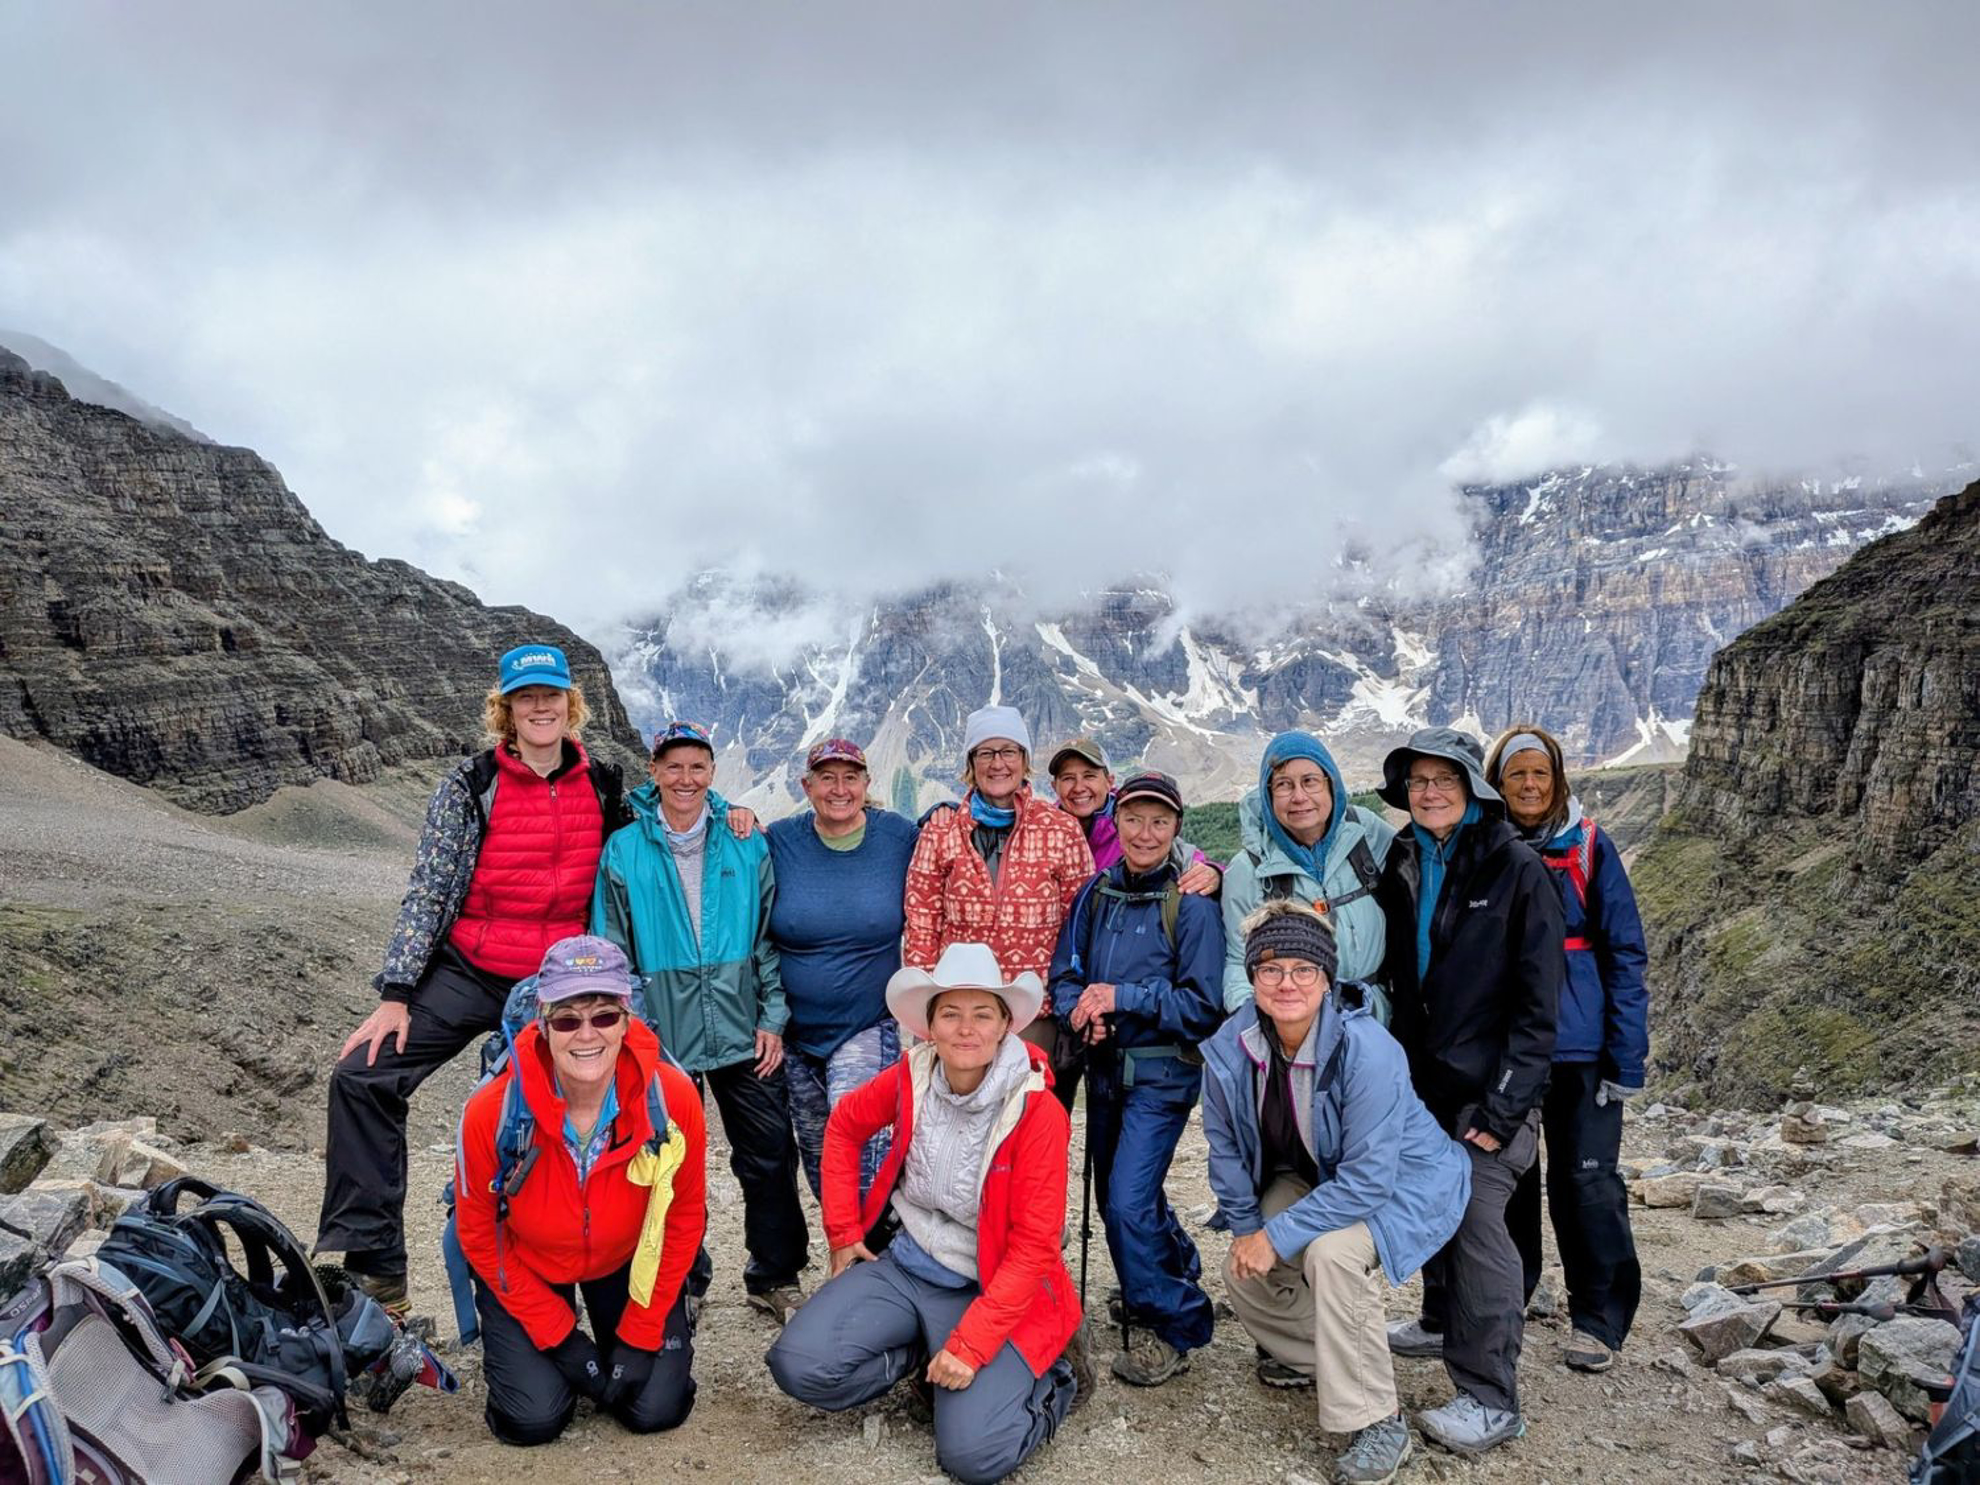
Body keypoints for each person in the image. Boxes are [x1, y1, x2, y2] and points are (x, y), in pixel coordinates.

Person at [316, 643, 629, 1314]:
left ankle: (618, 1266)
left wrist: (733, 814)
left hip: (557, 983)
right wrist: (396, 994)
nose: (540, 707)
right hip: (471, 967)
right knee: (363, 1076)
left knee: (584, 1105)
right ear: (506, 710)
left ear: (570, 705)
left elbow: (664, 828)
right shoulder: (470, 784)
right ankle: (377, 1270)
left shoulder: (604, 784)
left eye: (551, 696)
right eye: (526, 698)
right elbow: (430, 887)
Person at [766, 943, 1087, 1485]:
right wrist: (843, 1231)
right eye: (950, 1014)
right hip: (907, 1263)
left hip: (989, 1283)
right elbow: (844, 1126)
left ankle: (1055, 1378)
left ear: (1005, 1026)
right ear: (930, 1026)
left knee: (973, 1458)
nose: (966, 1029)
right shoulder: (911, 1076)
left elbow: (1035, 1247)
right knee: (797, 1366)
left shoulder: (1037, 1111)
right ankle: (922, 1354)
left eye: (982, 1014)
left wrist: (971, 1344)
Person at [1202, 902, 1469, 1485]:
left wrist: (1275, 1235)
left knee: (1332, 1255)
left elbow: (1369, 1180)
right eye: (1271, 969)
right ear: (1252, 977)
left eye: (1304, 969)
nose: (1287, 983)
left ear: (1327, 978)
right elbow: (1224, 1151)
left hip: (1403, 1181)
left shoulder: (1367, 1048)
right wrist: (1249, 1231)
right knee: (1241, 1270)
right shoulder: (1230, 1047)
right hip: (1322, 1177)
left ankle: (1378, 1419)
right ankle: (1336, 1361)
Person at [1373, 726, 1563, 1455]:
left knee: (1478, 1217)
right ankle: (1439, 1321)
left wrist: (1506, 1103)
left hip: (1491, 1089)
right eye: (1418, 781)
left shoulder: (1515, 866)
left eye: (1444, 779)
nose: (1429, 792)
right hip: (1423, 1083)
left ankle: (1490, 1396)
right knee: (1432, 1203)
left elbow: (1538, 1004)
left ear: (1472, 789)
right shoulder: (1402, 856)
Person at [593, 720, 809, 1323]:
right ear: (655, 772)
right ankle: (683, 1277)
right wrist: (635, 1032)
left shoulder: (745, 842)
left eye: (697, 767)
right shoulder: (624, 850)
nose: (685, 778)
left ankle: (775, 1275)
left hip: (744, 1030)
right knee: (669, 1162)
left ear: (712, 773)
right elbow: (612, 948)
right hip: (663, 1037)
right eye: (673, 766)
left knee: (769, 1154)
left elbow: (768, 938)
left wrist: (773, 1018)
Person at [453, 936, 706, 1445]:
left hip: (625, 1261)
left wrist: (642, 1332)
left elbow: (682, 1219)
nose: (587, 1035)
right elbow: (479, 1232)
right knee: (533, 1421)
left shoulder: (672, 1097)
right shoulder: (491, 1111)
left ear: (627, 1019)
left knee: (654, 1409)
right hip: (529, 1262)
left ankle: (631, 1332)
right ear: (542, 1023)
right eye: (567, 1020)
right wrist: (561, 1339)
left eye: (604, 1017)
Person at [1046, 769, 1223, 1386]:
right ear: (1115, 822)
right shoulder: (1095, 895)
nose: (1145, 833)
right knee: (1120, 1196)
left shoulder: (1192, 906)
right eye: (1134, 819)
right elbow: (1065, 974)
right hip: (1105, 1073)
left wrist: (1122, 998)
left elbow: (1202, 1006)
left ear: (1177, 828)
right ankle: (1173, 1268)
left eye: (1159, 821)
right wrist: (1080, 1011)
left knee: (1124, 1201)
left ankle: (1178, 1321)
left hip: (1161, 1076)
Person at [1486, 724, 1648, 1375]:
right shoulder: (1486, 845)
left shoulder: (1588, 845)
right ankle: (1509, 1297)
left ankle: (1599, 1318)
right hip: (1508, 1049)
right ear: (1498, 783)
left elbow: (1625, 952)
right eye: (1516, 774)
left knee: (1587, 1182)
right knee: (1511, 1183)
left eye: (1540, 774)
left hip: (1582, 1050)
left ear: (1557, 780)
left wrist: (1626, 1058)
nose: (1529, 785)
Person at [904, 705, 1094, 1110]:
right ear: (971, 764)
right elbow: (922, 921)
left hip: (1037, 1009)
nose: (998, 763)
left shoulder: (1060, 829)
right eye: (986, 753)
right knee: (962, 1119)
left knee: (1032, 1119)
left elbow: (1081, 922)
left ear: (1024, 760)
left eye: (1008, 751)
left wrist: (1071, 1002)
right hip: (962, 1009)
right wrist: (925, 1008)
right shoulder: (941, 830)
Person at [766, 737, 919, 1200]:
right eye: (826, 778)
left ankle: (871, 1240)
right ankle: (846, 1237)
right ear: (806, 786)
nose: (839, 789)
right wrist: (732, 812)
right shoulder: (780, 840)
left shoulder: (898, 837)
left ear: (866, 784)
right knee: (818, 1157)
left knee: (857, 1146)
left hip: (865, 1024)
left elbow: (947, 850)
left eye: (850, 778)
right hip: (796, 1034)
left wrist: (948, 809)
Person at [1219, 731, 1395, 1020]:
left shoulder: (1367, 834)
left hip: (1377, 1019)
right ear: (1267, 794)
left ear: (1331, 784)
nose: (1299, 797)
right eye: (1283, 785)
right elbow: (1239, 962)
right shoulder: (1248, 869)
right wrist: (1258, 1025)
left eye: (1310, 781)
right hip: (1295, 1026)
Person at [1046, 736, 1223, 890]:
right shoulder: (1041, 831)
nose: (1079, 788)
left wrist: (1214, 873)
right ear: (1054, 786)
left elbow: (1187, 858)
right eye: (1068, 778)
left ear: (1109, 781)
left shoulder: (1131, 822)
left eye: (1089, 776)